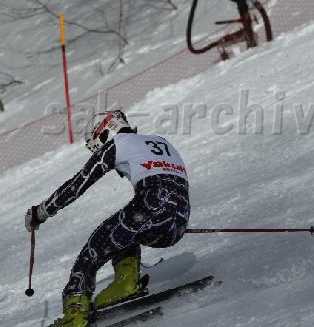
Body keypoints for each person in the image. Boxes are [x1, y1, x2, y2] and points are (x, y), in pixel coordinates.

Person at [25, 110, 190, 327]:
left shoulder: (118, 144)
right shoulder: (160, 141)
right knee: (125, 234)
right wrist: (168, 215)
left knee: (95, 246)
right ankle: (126, 283)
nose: (97, 150)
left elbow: (77, 185)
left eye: (95, 145)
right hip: (179, 220)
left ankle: (75, 312)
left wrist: (41, 212)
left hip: (152, 204)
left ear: (103, 132)